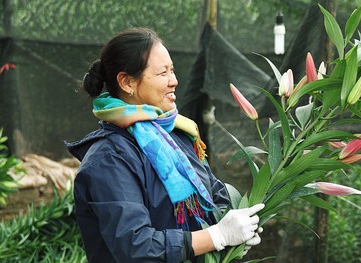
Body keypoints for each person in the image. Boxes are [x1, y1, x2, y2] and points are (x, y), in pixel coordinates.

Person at [66, 27, 264, 263]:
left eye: (173, 70)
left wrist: (239, 226)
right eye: (162, 73)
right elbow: (136, 247)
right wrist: (216, 236)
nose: (174, 81)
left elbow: (214, 193)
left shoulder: (177, 136)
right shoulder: (109, 159)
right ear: (127, 82)